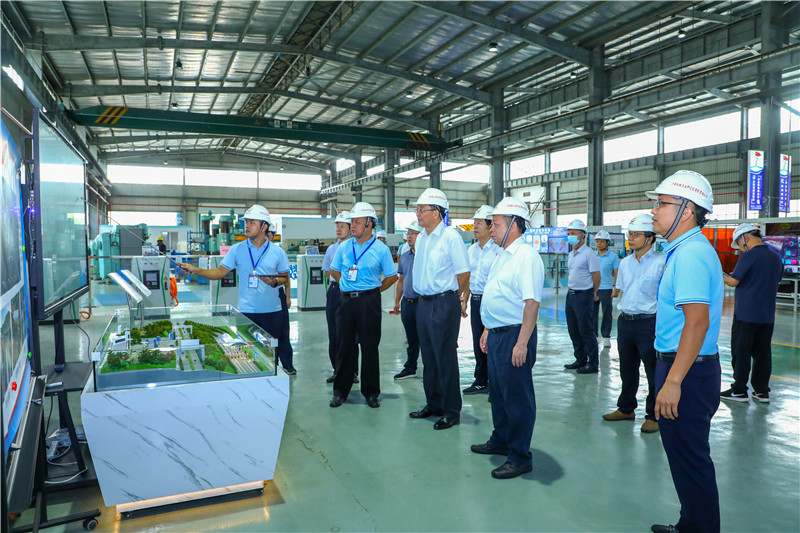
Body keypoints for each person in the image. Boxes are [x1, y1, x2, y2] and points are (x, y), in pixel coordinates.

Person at [647, 170, 722, 533]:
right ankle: (691, 524)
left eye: (662, 204)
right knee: (684, 459)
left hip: (687, 372)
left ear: (687, 211)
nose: (653, 211)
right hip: (685, 366)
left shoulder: (690, 255)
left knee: (690, 460)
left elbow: (697, 323)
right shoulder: (684, 250)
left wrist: (674, 381)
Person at [471, 197, 544, 479]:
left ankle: (520, 457)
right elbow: (496, 293)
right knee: (499, 395)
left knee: (517, 398)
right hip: (498, 334)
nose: (492, 229)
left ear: (514, 225)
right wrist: (488, 329)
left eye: (497, 224)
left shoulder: (526, 257)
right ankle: (501, 440)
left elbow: (531, 303)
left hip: (515, 334)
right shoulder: (502, 255)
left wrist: (522, 343)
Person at [178, 205, 296, 375]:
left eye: (252, 222)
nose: (247, 225)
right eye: (246, 222)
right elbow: (219, 272)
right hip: (246, 312)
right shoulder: (237, 250)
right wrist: (196, 270)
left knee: (273, 355)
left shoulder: (278, 252)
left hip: (273, 312)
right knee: (248, 356)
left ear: (264, 226)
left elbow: (285, 277)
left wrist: (275, 281)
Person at [409, 188, 470, 430]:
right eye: (417, 209)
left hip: (443, 303)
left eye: (422, 209)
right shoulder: (422, 238)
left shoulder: (450, 237)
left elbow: (463, 273)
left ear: (437, 212)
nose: (418, 214)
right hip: (423, 303)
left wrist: (452, 298)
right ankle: (433, 404)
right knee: (429, 357)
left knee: (445, 358)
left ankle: (451, 410)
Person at [329, 202, 397, 409]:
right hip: (346, 301)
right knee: (344, 346)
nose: (353, 226)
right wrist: (347, 285)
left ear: (369, 224)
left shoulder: (381, 249)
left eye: (357, 222)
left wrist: (373, 291)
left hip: (369, 302)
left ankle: (371, 392)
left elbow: (392, 276)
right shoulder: (344, 246)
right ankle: (340, 391)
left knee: (369, 347)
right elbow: (334, 270)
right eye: (352, 222)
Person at [603, 214, 665, 434]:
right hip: (626, 322)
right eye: (630, 234)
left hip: (649, 323)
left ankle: (654, 415)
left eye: (636, 235)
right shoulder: (625, 263)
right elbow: (621, 289)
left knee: (653, 371)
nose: (631, 238)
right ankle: (626, 408)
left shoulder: (661, 262)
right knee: (627, 369)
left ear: (650, 238)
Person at [720, 223, 783, 403]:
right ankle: (762, 391)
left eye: (739, 244)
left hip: (746, 315)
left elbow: (733, 282)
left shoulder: (748, 256)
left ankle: (739, 390)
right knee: (763, 354)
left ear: (745, 238)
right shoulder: (775, 258)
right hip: (767, 316)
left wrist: (720, 275)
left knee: (741, 353)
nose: (740, 248)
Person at [462, 205, 499, 395]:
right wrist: (464, 300)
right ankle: (481, 380)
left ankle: (495, 381)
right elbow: (470, 277)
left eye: (478, 223)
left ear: (490, 225)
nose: (475, 227)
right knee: (478, 341)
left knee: (492, 342)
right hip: (475, 300)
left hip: (491, 301)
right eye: (474, 223)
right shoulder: (471, 250)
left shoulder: (497, 250)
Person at [563, 219, 601, 374]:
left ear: (582, 235)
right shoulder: (571, 254)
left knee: (586, 330)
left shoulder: (589, 254)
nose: (570, 236)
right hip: (571, 295)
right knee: (573, 329)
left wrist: (593, 292)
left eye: (573, 233)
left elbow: (596, 275)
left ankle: (593, 363)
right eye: (569, 233)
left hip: (584, 295)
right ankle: (580, 359)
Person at [322, 211, 351, 383]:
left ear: (350, 228)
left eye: (342, 226)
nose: (338, 229)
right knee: (334, 333)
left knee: (350, 334)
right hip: (335, 291)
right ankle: (337, 370)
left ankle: (352, 372)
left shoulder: (355, 248)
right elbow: (327, 272)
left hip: (351, 293)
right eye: (337, 226)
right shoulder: (331, 249)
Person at [393, 221, 422, 380]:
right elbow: (401, 281)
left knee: (426, 339)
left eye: (413, 233)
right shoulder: (404, 256)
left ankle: (432, 370)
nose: (409, 236)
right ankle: (411, 368)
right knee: (411, 339)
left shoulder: (426, 256)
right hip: (407, 303)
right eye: (408, 233)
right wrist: (397, 301)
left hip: (423, 303)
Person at [593, 230, 619, 348]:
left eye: (602, 242)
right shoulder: (592, 255)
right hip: (593, 288)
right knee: (592, 313)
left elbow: (617, 273)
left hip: (606, 289)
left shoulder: (613, 256)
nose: (599, 244)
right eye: (597, 241)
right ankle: (594, 336)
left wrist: (616, 288)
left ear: (607, 243)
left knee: (607, 313)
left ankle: (606, 336)